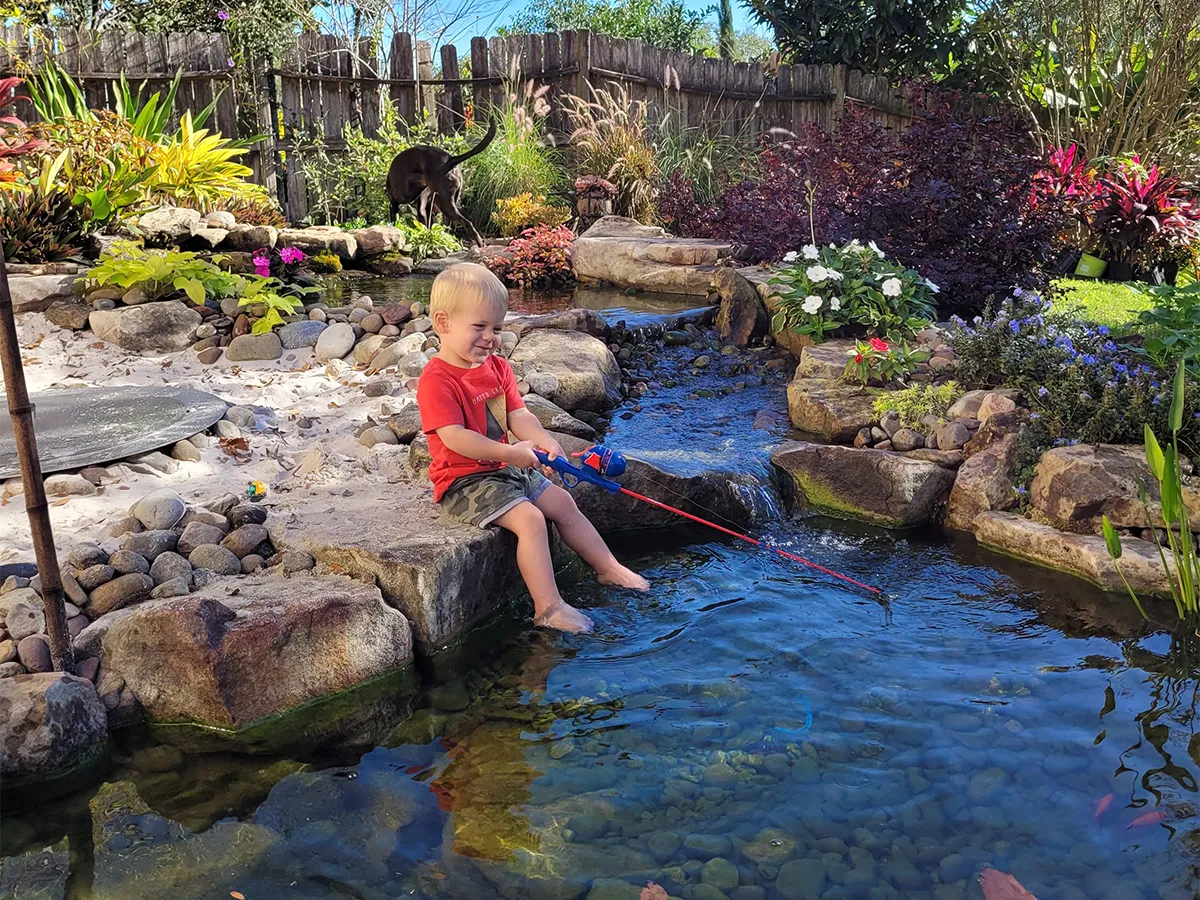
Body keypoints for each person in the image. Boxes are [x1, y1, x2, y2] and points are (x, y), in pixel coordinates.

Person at [416, 263, 648, 633]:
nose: (490, 337)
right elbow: (455, 438)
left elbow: (518, 415)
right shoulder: (437, 379)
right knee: (531, 520)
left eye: (497, 328)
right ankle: (549, 607)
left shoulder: (496, 367)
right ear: (443, 323)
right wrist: (512, 453)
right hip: (465, 482)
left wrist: (544, 441)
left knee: (563, 502)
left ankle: (608, 567)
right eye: (479, 327)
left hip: (505, 470)